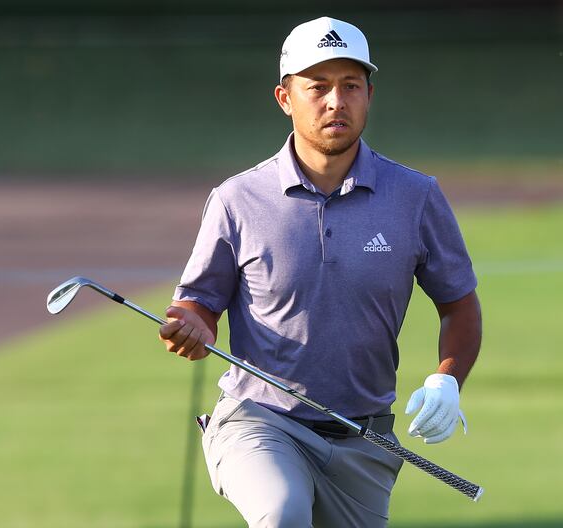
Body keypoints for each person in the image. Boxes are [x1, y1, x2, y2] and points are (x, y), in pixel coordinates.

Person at [159, 16, 481, 528]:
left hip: (364, 440)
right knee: (282, 513)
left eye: (350, 86)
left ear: (369, 95)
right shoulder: (237, 199)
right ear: (285, 98)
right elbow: (197, 303)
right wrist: (191, 324)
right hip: (260, 421)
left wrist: (448, 380)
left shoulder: (416, 197)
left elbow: (459, 305)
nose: (336, 101)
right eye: (318, 87)